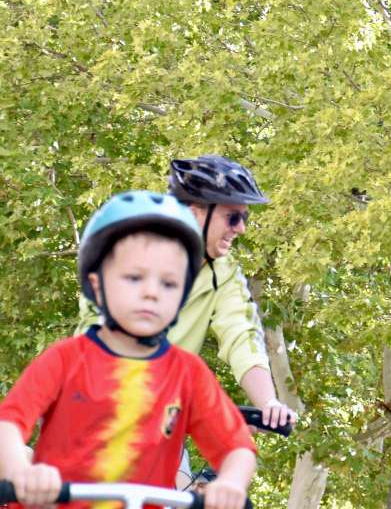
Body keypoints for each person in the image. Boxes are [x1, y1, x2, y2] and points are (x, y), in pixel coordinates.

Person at [0, 191, 256, 509]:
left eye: (169, 283)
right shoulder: (65, 359)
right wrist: (22, 473)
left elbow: (237, 447)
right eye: (134, 278)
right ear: (96, 285)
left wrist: (230, 483)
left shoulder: (187, 374)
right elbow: (8, 425)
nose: (151, 293)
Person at [77, 156, 298, 433]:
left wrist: (268, 403)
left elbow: (242, 336)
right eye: (232, 217)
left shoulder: (224, 272)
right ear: (195, 214)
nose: (241, 228)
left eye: (244, 217)